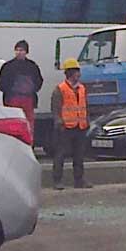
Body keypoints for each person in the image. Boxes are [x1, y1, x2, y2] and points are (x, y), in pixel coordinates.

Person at [51, 58, 92, 190]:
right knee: (60, 154)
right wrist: (59, 122)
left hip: (80, 126)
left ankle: (79, 180)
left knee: (79, 155)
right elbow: (56, 108)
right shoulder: (60, 89)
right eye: (76, 72)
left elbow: (86, 106)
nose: (78, 74)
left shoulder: (82, 88)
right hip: (66, 127)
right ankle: (57, 180)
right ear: (70, 73)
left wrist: (87, 120)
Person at [0, 40, 43, 135]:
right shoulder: (8, 66)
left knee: (28, 124)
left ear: (26, 52)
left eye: (21, 50)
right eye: (17, 50)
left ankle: (29, 142)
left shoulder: (32, 66)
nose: (19, 52)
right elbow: (0, 83)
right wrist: (10, 91)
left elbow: (39, 81)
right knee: (13, 123)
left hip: (28, 100)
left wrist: (31, 90)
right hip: (12, 99)